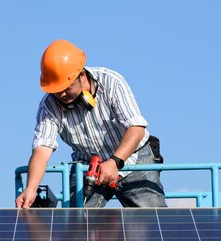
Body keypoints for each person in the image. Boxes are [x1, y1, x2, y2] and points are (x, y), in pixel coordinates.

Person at [15, 39, 167, 209]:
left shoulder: (111, 82)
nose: (62, 94)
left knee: (153, 223)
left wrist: (114, 162)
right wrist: (31, 188)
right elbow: (42, 150)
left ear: (81, 74)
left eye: (67, 87)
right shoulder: (49, 106)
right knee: (75, 226)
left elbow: (136, 129)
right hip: (88, 166)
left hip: (134, 158)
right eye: (56, 90)